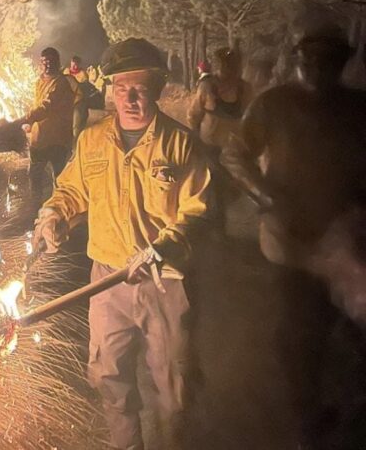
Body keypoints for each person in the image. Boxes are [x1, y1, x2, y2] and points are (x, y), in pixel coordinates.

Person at [33, 38, 214, 450]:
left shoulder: (180, 143)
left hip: (163, 283)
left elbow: (198, 210)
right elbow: (71, 189)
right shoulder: (92, 140)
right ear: (109, 89)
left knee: (173, 389)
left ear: (158, 87)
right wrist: (54, 215)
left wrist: (162, 248)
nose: (130, 98)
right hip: (107, 283)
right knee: (110, 381)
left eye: (140, 88)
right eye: (121, 88)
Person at [221, 24, 366, 449]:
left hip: (348, 243)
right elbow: (236, 152)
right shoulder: (275, 104)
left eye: (331, 58)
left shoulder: (358, 108)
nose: (319, 66)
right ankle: (306, 421)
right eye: (311, 57)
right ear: (298, 58)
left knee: (349, 328)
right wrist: (265, 195)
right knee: (300, 335)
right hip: (292, 245)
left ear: (345, 61)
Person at [19, 47, 75, 205]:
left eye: (51, 61)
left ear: (57, 63)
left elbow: (47, 106)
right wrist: (30, 125)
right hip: (39, 139)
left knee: (59, 178)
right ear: (40, 63)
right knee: (35, 176)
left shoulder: (61, 83)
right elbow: (37, 105)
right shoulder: (39, 82)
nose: (48, 65)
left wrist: (26, 118)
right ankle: (34, 209)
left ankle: (59, 212)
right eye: (45, 62)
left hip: (58, 139)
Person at [187, 48, 253, 151]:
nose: (226, 68)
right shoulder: (207, 86)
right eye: (225, 64)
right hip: (211, 146)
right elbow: (194, 115)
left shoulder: (245, 88)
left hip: (235, 149)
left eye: (230, 65)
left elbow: (250, 118)